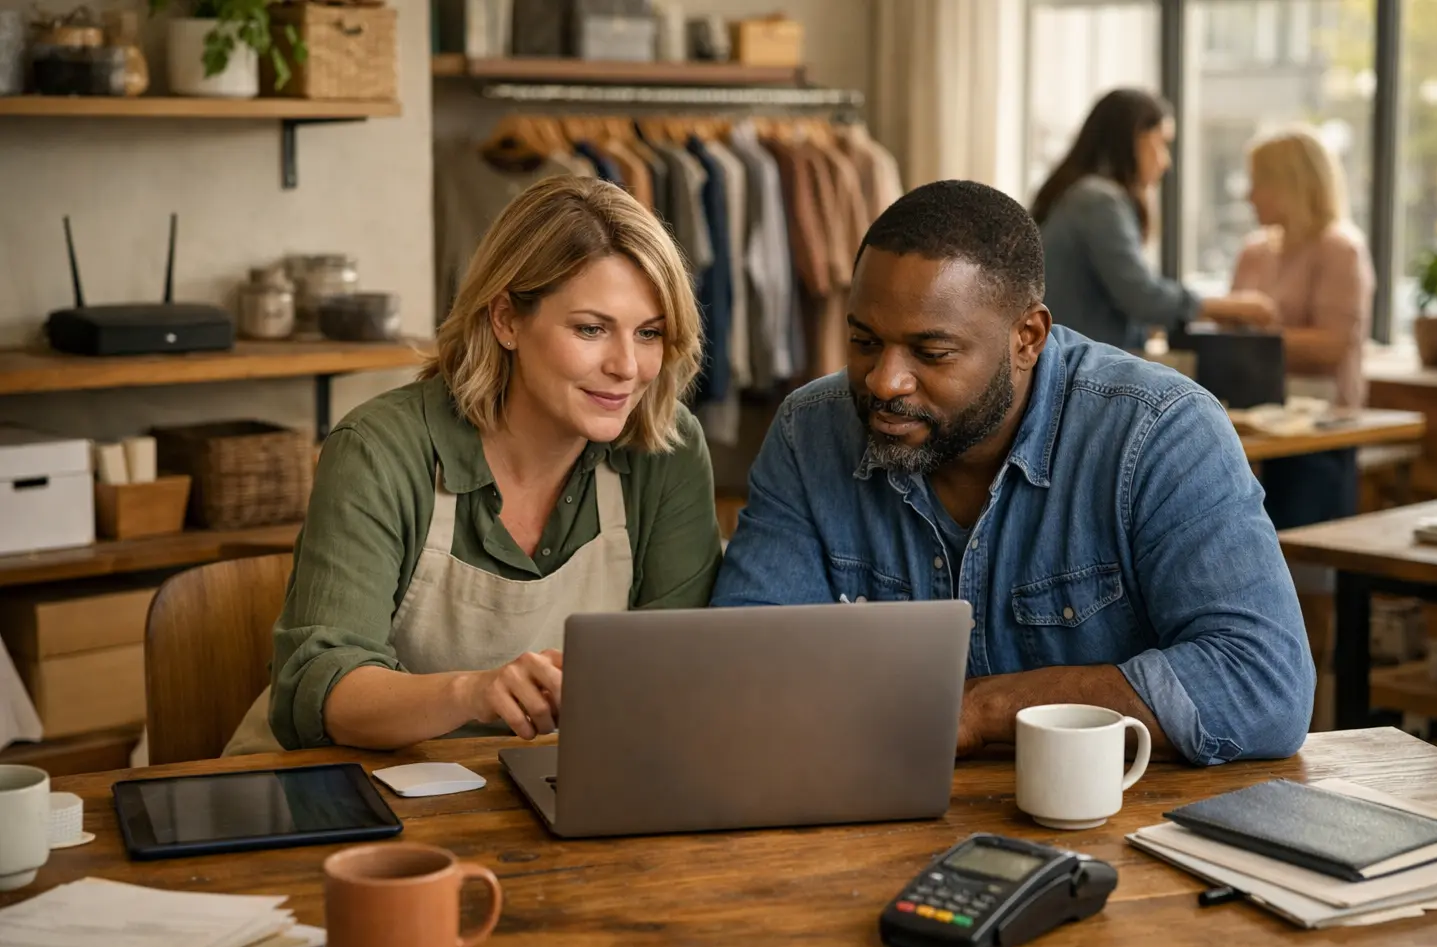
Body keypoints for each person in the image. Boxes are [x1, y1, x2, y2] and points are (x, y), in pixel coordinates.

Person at [710, 179, 1313, 766]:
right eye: (864, 342)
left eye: (931, 353)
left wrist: (979, 710)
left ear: (1027, 338)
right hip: (876, 812)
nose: (884, 381)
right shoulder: (810, 431)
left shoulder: (1159, 431)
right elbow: (742, 670)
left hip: (1123, 822)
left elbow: (1263, 683)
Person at [224, 176, 723, 755]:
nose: (627, 367)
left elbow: (678, 670)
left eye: (649, 333)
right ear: (506, 319)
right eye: (591, 329)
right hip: (343, 779)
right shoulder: (380, 448)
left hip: (538, 781)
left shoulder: (666, 449)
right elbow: (321, 690)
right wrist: (474, 693)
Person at [1033, 88, 1277, 351]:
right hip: (1075, 362)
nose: (1166, 162)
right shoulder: (1098, 201)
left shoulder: (1079, 195)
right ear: (1133, 138)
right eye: (1161, 143)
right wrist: (1227, 307)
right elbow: (1141, 294)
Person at [1232, 127, 1376, 528]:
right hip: (1251, 426)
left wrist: (1256, 332)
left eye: (1259, 182)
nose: (1249, 195)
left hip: (1319, 433)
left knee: (1299, 538)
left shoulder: (1340, 249)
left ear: (1290, 184)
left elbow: (1332, 346)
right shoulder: (1253, 250)